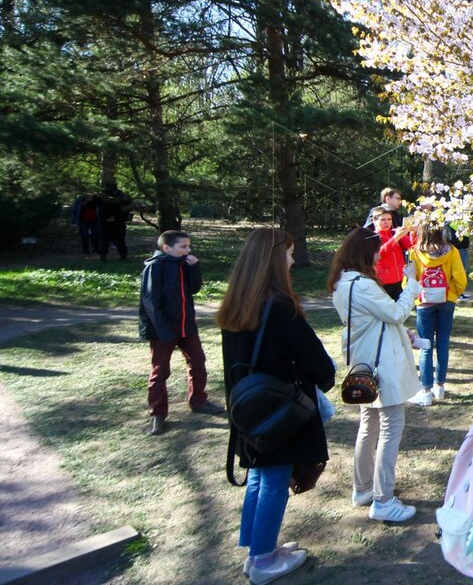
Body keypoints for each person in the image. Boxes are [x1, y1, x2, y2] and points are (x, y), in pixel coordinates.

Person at [218, 228, 335, 585]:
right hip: (279, 410)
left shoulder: (236, 302)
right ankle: (264, 559)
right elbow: (319, 366)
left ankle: (257, 551)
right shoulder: (280, 308)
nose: (292, 259)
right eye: (287, 253)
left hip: (249, 407)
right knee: (272, 479)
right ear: (272, 260)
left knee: (259, 474)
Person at [329, 227, 423, 523]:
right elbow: (395, 313)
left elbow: (376, 320)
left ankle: (363, 488)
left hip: (364, 362)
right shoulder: (362, 284)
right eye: (376, 252)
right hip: (382, 365)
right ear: (363, 253)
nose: (378, 257)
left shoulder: (341, 283)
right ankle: (383, 499)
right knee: (390, 428)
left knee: (368, 426)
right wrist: (412, 285)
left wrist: (399, 330)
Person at [139, 230, 224, 436]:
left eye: (189, 246)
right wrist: (163, 331)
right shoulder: (155, 267)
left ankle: (198, 401)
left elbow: (194, 289)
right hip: (162, 330)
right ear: (167, 248)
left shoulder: (184, 264)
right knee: (160, 371)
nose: (188, 250)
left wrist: (195, 267)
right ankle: (157, 414)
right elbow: (150, 303)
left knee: (198, 361)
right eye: (183, 247)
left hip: (187, 326)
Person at [408, 222, 468, 405]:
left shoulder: (415, 252)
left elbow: (409, 278)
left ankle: (425, 390)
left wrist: (415, 297)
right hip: (446, 300)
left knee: (426, 345)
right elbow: (460, 279)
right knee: (443, 343)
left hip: (424, 302)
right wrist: (452, 295)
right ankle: (440, 386)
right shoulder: (452, 251)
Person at [369, 206, 414, 299]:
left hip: (400, 280)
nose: (387, 222)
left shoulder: (394, 233)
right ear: (374, 221)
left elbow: (411, 246)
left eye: (389, 219)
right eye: (383, 220)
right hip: (383, 283)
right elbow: (380, 254)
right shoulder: (372, 237)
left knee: (401, 311)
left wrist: (414, 232)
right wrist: (396, 238)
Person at [96, 181, 132, 261]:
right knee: (104, 240)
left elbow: (126, 208)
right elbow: (99, 208)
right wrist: (105, 218)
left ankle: (123, 256)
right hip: (105, 221)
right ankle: (103, 256)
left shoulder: (122, 196)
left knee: (120, 240)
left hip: (118, 221)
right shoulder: (102, 196)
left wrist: (115, 217)